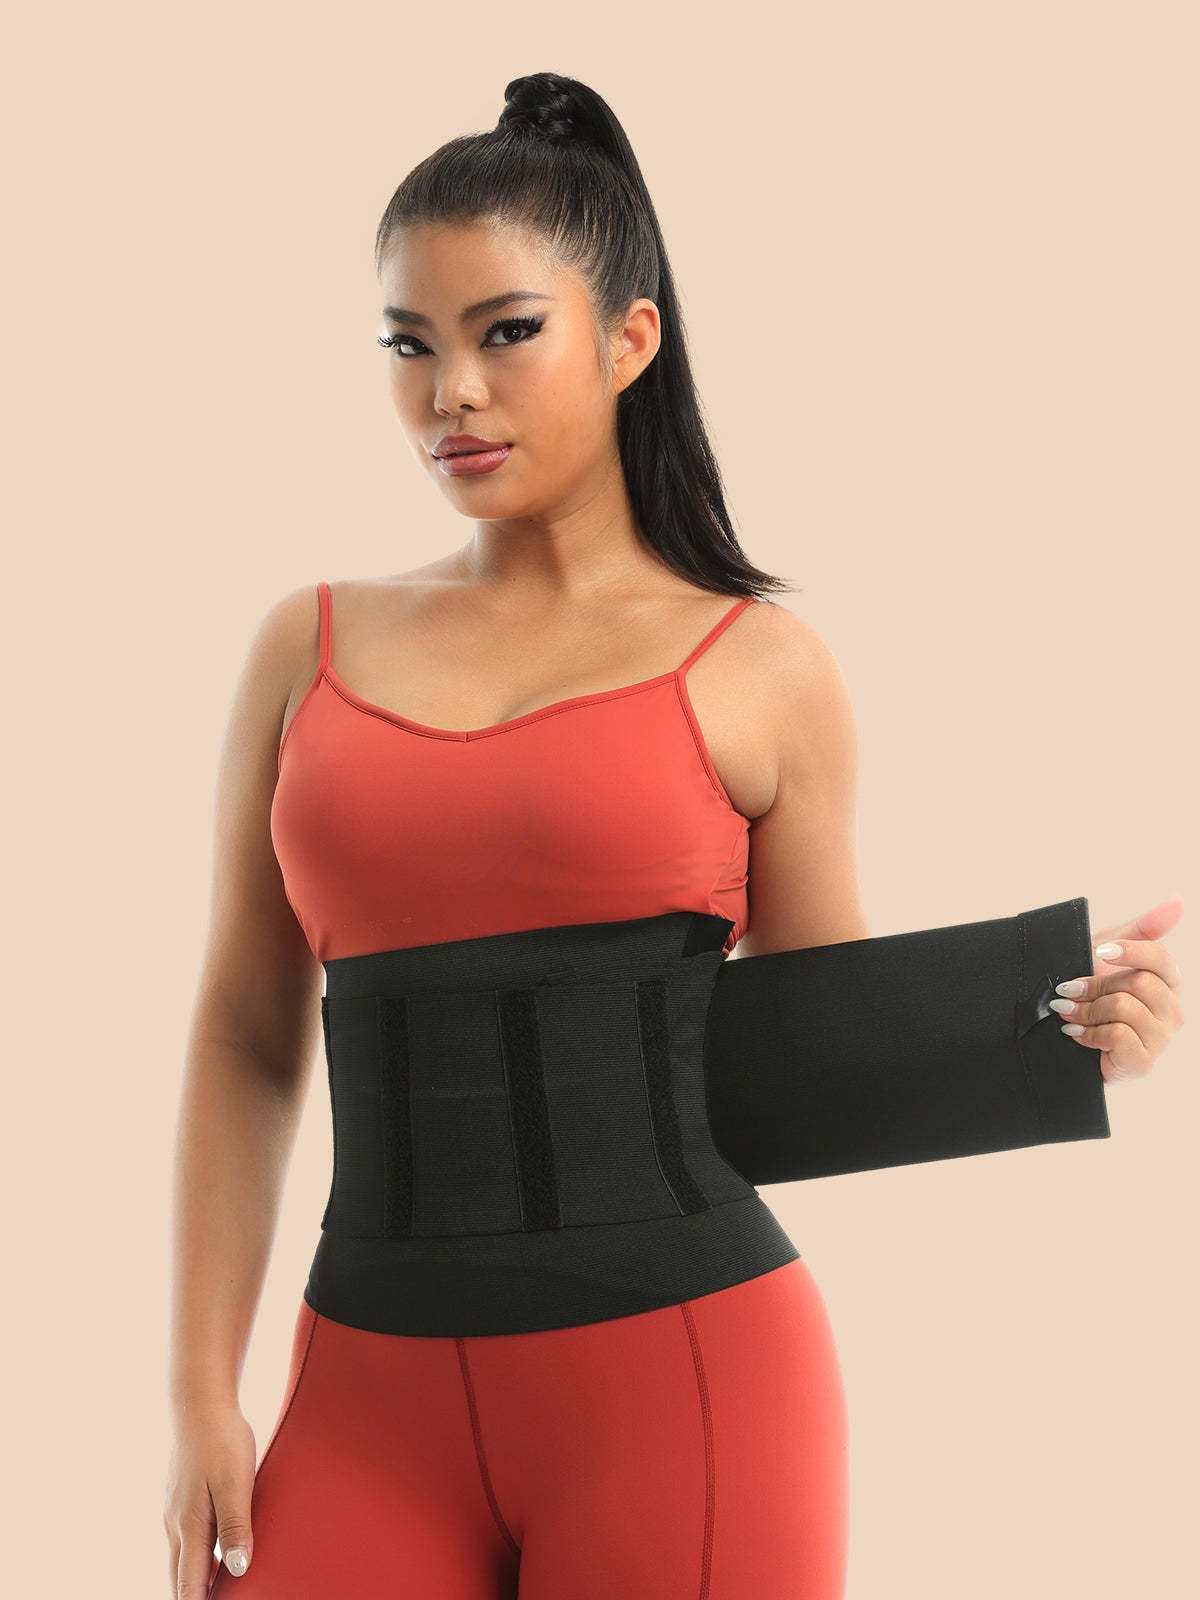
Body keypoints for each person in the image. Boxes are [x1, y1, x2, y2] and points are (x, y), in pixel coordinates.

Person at [163, 71, 1183, 1600]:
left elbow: (814, 1051)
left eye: (507, 331)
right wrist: (199, 1392)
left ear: (631, 337)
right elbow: (249, 1033)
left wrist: (1064, 1025)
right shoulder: (303, 650)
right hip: (362, 1399)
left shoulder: (760, 667)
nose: (452, 392)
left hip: (684, 1390)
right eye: (409, 344)